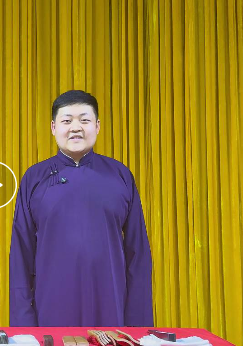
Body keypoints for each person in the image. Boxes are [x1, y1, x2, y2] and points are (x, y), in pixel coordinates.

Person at [9, 90, 153, 327]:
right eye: (67, 121)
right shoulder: (34, 179)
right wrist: (24, 323)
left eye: (84, 120)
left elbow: (138, 254)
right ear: (53, 127)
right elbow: (21, 256)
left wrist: (138, 323)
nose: (76, 128)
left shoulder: (120, 176)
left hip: (111, 308)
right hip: (51, 310)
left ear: (97, 126)